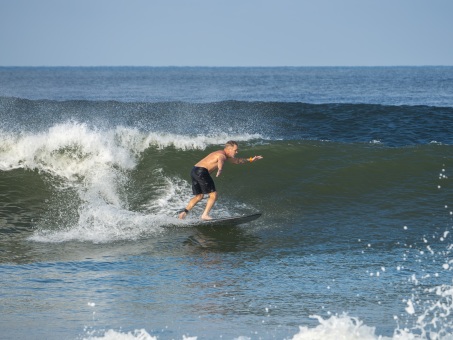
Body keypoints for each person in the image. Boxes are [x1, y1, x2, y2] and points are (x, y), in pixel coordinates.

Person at [179, 140, 263, 220]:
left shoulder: (223, 154)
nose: (237, 152)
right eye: (235, 150)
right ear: (229, 149)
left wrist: (251, 159)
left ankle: (184, 213)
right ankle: (205, 215)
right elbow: (220, 160)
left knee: (199, 196)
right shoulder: (221, 154)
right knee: (213, 195)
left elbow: (237, 161)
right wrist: (220, 169)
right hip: (202, 172)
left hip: (194, 170)